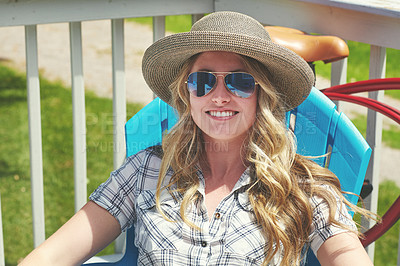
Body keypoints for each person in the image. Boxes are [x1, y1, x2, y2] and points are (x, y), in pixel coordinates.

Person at [20, 11, 375, 266]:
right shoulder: (147, 171)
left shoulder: (300, 186)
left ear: (261, 95)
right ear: (187, 94)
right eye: (203, 81)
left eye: (239, 81)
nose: (219, 96)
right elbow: (53, 254)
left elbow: (346, 254)